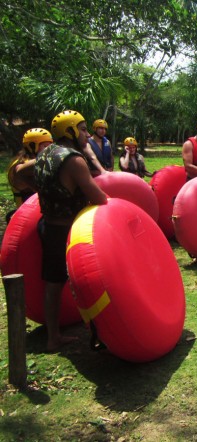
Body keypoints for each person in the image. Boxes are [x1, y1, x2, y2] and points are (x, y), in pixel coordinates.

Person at [35, 110, 108, 352]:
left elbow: (24, 176)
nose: (86, 134)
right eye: (83, 129)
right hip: (71, 231)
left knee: (53, 284)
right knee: (88, 279)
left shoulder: (44, 154)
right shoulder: (74, 159)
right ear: (71, 131)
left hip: (48, 225)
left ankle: (53, 337)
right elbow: (99, 197)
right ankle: (103, 329)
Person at [7, 128, 53, 210]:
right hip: (26, 214)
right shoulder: (20, 165)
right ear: (32, 146)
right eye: (45, 146)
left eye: (51, 146)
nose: (49, 150)